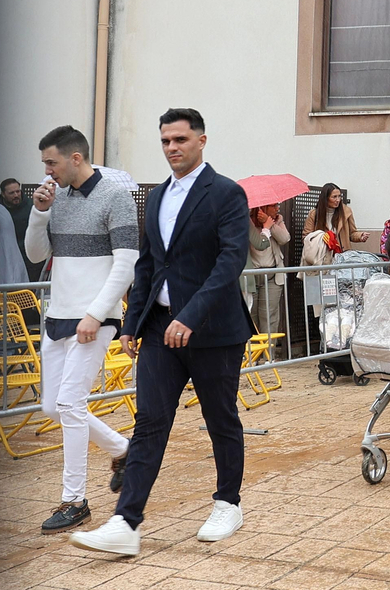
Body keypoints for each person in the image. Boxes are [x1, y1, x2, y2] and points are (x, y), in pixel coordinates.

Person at [69, 109, 253, 557]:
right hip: (157, 330)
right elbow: (148, 263)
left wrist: (190, 315)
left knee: (220, 418)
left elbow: (230, 261)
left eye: (180, 139)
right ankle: (126, 522)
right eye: (166, 141)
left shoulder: (226, 193)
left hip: (212, 330)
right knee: (149, 421)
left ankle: (228, 503)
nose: (172, 148)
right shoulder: (155, 198)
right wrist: (131, 323)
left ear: (201, 141)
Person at [19, 127, 136, 534]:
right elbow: (36, 254)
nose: (46, 171)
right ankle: (123, 449)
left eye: (51, 162)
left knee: (69, 404)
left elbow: (126, 263)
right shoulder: (57, 198)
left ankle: (75, 501)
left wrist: (97, 314)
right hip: (59, 316)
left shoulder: (115, 196)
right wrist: (39, 212)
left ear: (75, 158)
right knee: (53, 407)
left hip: (94, 319)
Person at [242, 204, 290, 341]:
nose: (277, 208)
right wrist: (264, 228)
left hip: (272, 276)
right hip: (251, 276)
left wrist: (270, 225)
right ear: (262, 207)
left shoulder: (278, 219)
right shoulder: (247, 221)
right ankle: (255, 352)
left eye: (278, 205)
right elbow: (259, 244)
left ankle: (269, 353)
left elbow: (285, 238)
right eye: (274, 206)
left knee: (269, 317)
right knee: (251, 317)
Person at [304, 183, 369, 251]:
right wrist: (322, 238)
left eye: (339, 196)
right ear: (326, 198)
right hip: (322, 254)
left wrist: (360, 236)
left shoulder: (346, 212)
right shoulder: (314, 214)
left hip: (342, 254)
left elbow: (352, 233)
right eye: (334, 197)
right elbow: (306, 237)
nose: (338, 200)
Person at [0, 178, 42, 281]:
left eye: (18, 191)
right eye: (11, 193)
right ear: (3, 194)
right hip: (10, 256)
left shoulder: (32, 206)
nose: (16, 195)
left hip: (30, 256)